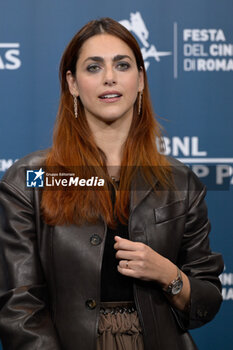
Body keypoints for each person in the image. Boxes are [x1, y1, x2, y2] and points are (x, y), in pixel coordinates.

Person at [0, 17, 223, 350]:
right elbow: (18, 305)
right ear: (72, 84)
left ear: (141, 80)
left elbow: (206, 300)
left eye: (122, 65)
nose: (109, 78)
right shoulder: (29, 178)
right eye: (93, 67)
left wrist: (169, 275)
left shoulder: (180, 181)